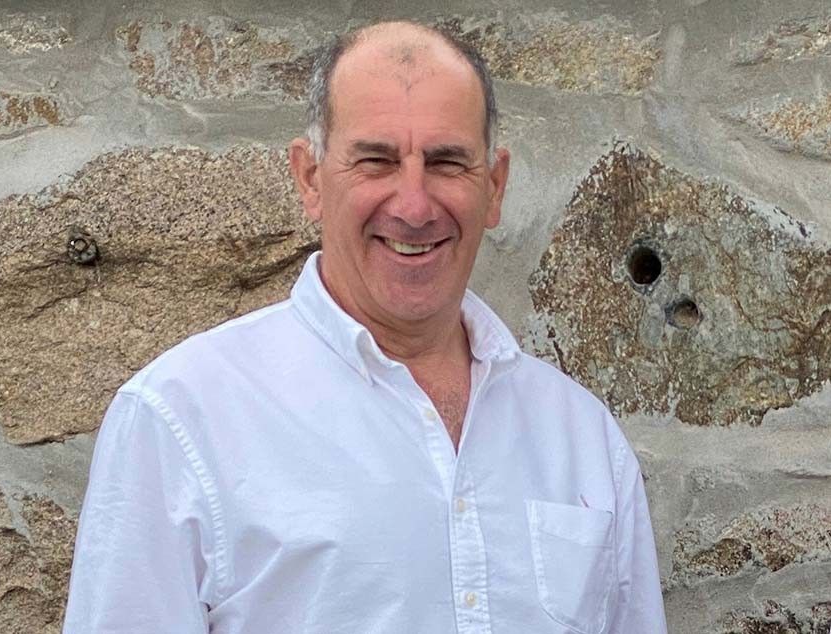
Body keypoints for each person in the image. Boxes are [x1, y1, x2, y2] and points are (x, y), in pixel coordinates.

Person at [63, 20, 668, 634]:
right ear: (310, 179)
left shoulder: (582, 436)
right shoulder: (180, 420)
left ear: (494, 187)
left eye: (447, 162)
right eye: (376, 161)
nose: (414, 206)